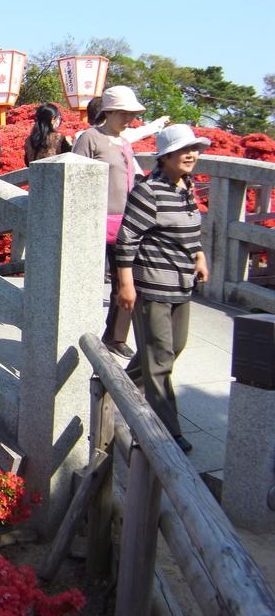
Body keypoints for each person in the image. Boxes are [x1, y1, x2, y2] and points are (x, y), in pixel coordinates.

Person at [115, 124, 211, 454]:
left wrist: (199, 255)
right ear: (165, 156)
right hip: (153, 282)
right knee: (160, 357)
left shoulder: (187, 187)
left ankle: (118, 388)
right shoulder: (149, 190)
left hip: (182, 282)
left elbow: (191, 228)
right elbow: (128, 238)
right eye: (184, 150)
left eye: (195, 148)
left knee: (171, 349)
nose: (191, 154)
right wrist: (126, 285)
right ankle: (169, 431)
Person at [73, 85, 146, 359]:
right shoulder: (90, 138)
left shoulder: (125, 142)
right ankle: (80, 332)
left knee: (125, 280)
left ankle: (116, 336)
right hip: (95, 221)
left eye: (132, 114)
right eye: (125, 113)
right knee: (87, 281)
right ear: (110, 111)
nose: (129, 119)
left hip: (125, 222)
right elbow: (76, 177)